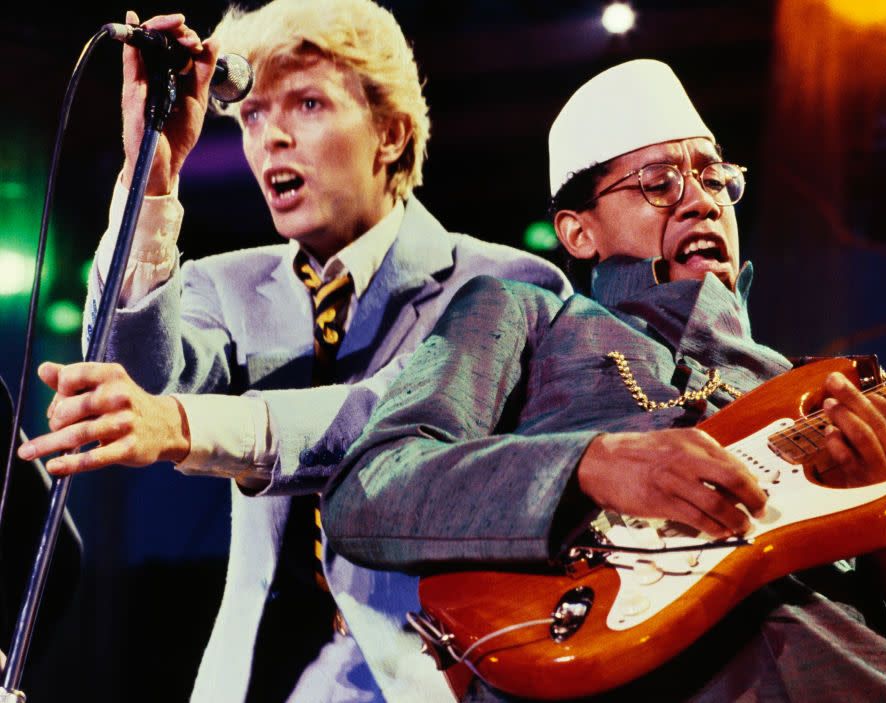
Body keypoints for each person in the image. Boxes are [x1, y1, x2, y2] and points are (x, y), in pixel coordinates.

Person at [321, 59, 886, 702]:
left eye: (715, 176)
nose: (701, 199)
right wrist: (589, 466)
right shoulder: (526, 315)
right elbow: (369, 489)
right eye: (659, 182)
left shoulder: (807, 389)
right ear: (578, 232)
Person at [15, 1, 570, 702]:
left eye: (307, 103)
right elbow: (136, 378)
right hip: (251, 682)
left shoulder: (505, 285)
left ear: (392, 134)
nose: (271, 136)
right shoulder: (227, 282)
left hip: (428, 683)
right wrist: (151, 179)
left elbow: (391, 414)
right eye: (252, 114)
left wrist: (187, 426)